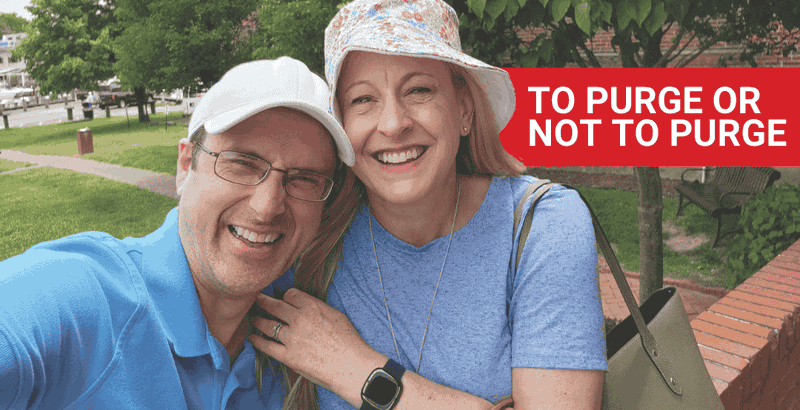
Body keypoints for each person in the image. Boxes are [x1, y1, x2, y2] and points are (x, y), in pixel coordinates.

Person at [250, 1, 607, 409]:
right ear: (342, 129)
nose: (392, 123)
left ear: (465, 110)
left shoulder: (540, 225)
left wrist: (351, 367)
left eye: (418, 90)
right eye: (363, 99)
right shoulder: (311, 236)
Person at [0, 57, 356, 409]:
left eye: (304, 179)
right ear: (186, 167)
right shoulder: (86, 298)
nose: (268, 206)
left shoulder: (302, 339)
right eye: (242, 163)